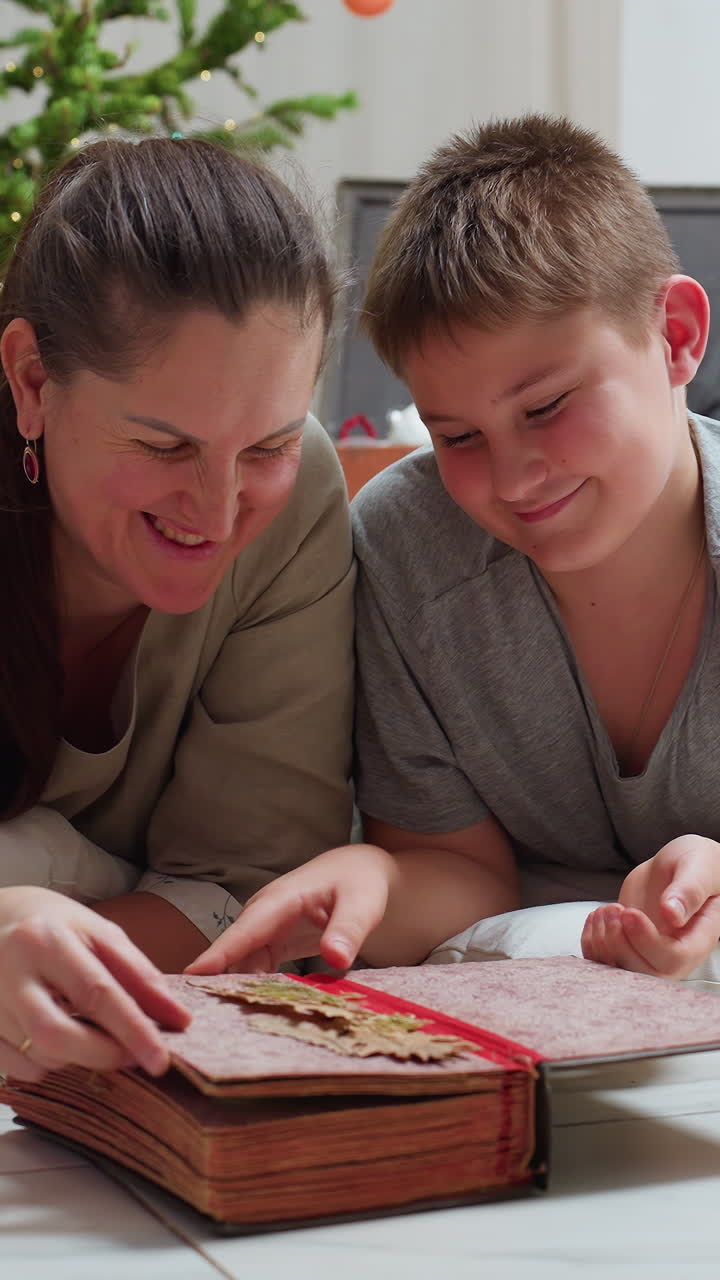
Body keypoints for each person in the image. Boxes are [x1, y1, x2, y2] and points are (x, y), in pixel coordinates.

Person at [189, 114, 720, 987]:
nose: (513, 478)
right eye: (458, 435)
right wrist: (375, 877)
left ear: (677, 335)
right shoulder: (407, 548)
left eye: (546, 406)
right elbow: (460, 873)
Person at [0, 137, 354, 1083]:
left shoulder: (306, 498)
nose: (219, 508)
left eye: (269, 443)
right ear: (32, 381)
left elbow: (244, 894)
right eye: (163, 446)